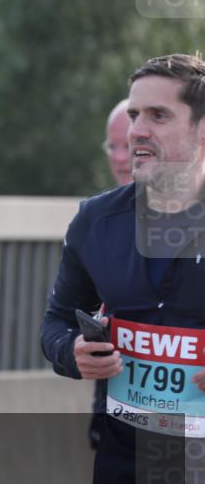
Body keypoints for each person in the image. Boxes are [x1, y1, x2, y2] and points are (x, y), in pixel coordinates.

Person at [41, 53, 205, 484]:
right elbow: (55, 322)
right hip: (122, 483)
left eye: (159, 115)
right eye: (134, 115)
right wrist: (71, 352)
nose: (138, 130)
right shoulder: (95, 221)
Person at [88, 98, 133, 451]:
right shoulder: (97, 221)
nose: (119, 158)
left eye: (128, 145)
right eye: (111, 146)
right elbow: (57, 320)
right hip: (113, 409)